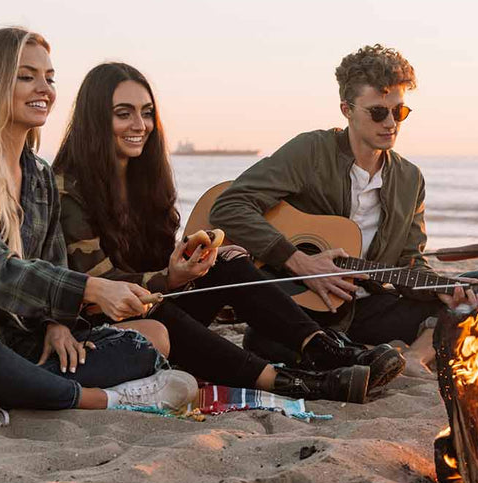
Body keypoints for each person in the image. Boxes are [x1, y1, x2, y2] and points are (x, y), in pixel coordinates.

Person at [0, 28, 198, 428]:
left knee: (153, 336)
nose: (44, 89)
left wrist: (57, 322)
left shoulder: (39, 174)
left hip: (18, 345)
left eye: (49, 77)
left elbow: (52, 259)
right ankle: (96, 399)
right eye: (26, 76)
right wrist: (92, 289)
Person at [53, 62, 401, 403]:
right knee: (153, 307)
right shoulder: (71, 188)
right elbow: (99, 281)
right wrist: (168, 278)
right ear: (96, 118)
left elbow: (155, 265)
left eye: (146, 113)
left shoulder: (145, 183)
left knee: (227, 264)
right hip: (107, 328)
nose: (140, 125)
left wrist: (192, 264)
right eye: (123, 113)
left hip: (158, 307)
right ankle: (287, 382)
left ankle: (325, 348)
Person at [209, 44, 473, 372]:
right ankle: (367, 353)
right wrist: (298, 261)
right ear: (346, 109)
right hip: (302, 303)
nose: (391, 123)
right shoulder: (311, 152)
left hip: (368, 308)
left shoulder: (410, 179)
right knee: (262, 343)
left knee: (474, 291)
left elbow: (410, 262)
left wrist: (439, 289)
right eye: (378, 112)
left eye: (399, 112)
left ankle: (409, 356)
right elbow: (228, 207)